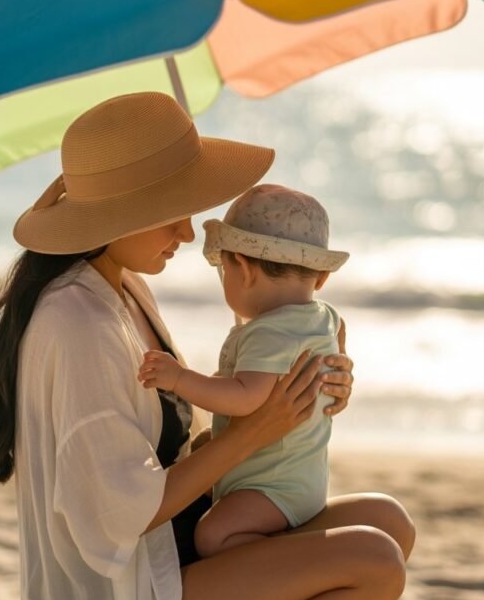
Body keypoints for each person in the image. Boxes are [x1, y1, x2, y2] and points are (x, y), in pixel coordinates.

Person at [0, 91, 415, 600]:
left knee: (387, 521)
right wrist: (258, 428)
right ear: (120, 216)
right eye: (176, 211)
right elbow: (126, 514)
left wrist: (304, 399)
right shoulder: (77, 324)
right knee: (375, 563)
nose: (193, 231)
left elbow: (182, 437)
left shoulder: (123, 287)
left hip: (166, 563)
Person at [137, 183, 350, 560]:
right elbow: (326, 364)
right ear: (321, 278)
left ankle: (286, 562)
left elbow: (245, 398)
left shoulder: (269, 331)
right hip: (302, 483)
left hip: (269, 490)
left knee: (214, 535)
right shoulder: (324, 318)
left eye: (224, 269)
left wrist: (179, 379)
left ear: (244, 270)